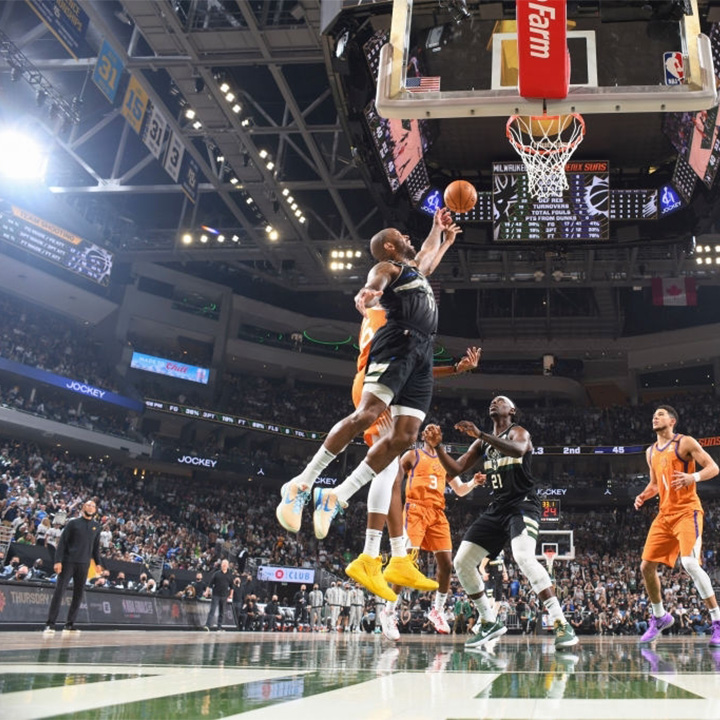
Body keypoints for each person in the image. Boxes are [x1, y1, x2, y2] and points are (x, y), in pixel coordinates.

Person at [276, 207, 457, 547]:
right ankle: (302, 482)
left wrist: (438, 229)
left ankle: (336, 496)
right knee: (368, 415)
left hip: (423, 350)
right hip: (398, 341)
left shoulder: (415, 270)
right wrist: (368, 293)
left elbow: (428, 259)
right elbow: (375, 282)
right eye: (400, 237)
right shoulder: (387, 267)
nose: (407, 237)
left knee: (405, 437)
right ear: (389, 246)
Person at [433, 396, 579, 651]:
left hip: (523, 505)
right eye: (491, 400)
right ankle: (489, 620)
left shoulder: (518, 432)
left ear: (511, 411)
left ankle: (561, 623)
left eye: (500, 401)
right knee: (461, 561)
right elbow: (455, 469)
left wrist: (481, 434)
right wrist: (438, 448)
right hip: (498, 508)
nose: (493, 402)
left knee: (523, 556)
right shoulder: (482, 442)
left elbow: (518, 450)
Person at [378, 424, 483, 639]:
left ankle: (437, 610)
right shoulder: (412, 455)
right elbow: (394, 478)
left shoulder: (445, 461)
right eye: (428, 429)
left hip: (437, 513)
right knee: (407, 563)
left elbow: (460, 490)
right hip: (415, 510)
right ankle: (388, 611)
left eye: (436, 430)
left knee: (446, 564)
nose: (432, 432)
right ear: (424, 435)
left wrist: (473, 482)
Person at [634, 404, 720, 646]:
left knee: (690, 563)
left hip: (687, 511)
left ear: (672, 421)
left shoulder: (685, 443)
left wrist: (692, 477)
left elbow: (713, 467)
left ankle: (717, 621)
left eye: (660, 414)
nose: (655, 417)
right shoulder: (650, 452)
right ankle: (660, 616)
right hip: (664, 515)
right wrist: (643, 495)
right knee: (646, 567)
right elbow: (654, 484)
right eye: (653, 415)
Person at [43, 499, 103, 635]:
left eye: (93, 506)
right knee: (59, 591)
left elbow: (95, 548)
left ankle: (69, 624)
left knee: (78, 594)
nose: (91, 507)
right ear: (83, 507)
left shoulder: (97, 527)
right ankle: (50, 624)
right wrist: (58, 561)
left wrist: (98, 563)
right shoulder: (73, 523)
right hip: (68, 562)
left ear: (95, 510)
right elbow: (62, 543)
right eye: (88, 505)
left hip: (84, 564)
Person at [202, 558, 233, 631]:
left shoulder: (230, 575)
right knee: (212, 610)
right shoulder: (216, 574)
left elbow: (232, 587)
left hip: (224, 596)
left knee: (222, 612)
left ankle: (219, 627)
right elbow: (210, 584)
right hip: (216, 595)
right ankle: (207, 625)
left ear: (228, 566)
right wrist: (207, 591)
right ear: (221, 565)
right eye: (223, 564)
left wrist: (231, 595)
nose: (224, 565)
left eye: (226, 564)